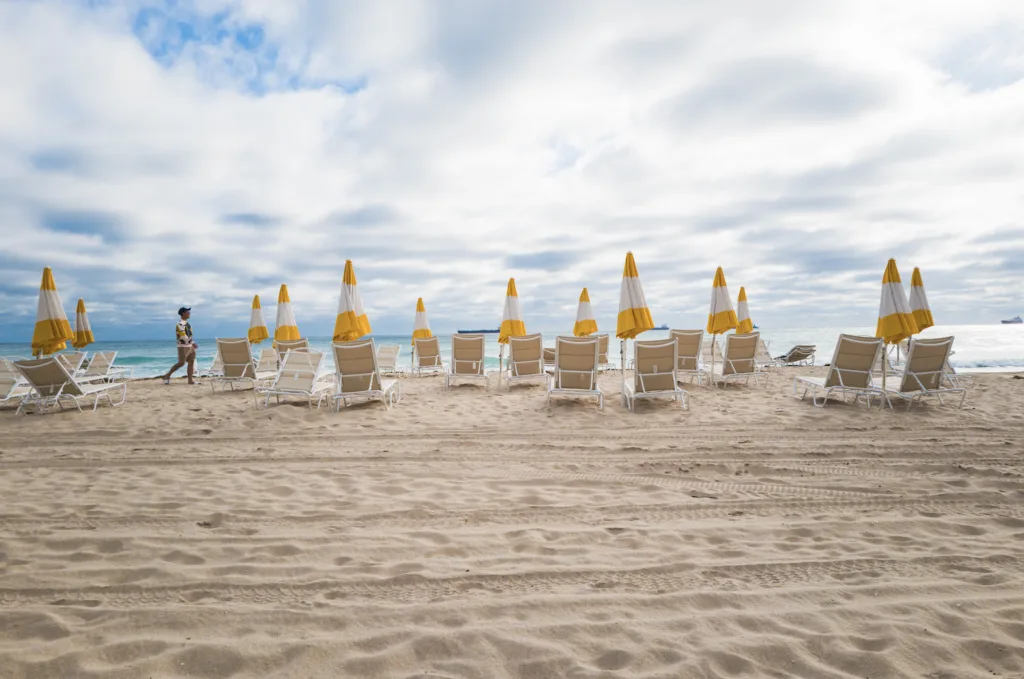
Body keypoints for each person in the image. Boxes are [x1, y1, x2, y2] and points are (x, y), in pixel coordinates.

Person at [162, 307, 199, 385]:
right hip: (183, 347)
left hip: (190, 346)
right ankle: (167, 375)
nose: (189, 313)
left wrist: (192, 343)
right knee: (181, 363)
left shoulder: (188, 324)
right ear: (183, 313)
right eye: (187, 312)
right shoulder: (180, 324)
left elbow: (190, 335)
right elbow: (183, 336)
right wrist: (193, 342)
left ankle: (190, 381)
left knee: (191, 362)